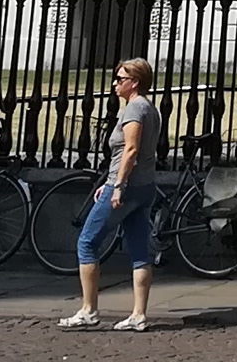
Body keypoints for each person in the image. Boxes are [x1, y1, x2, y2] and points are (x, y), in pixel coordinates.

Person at [61, 58, 165, 332]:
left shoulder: (134, 109)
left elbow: (130, 150)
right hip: (144, 187)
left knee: (87, 242)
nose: (115, 84)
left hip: (126, 188)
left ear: (135, 82)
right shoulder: (150, 108)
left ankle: (89, 309)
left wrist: (117, 185)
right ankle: (139, 314)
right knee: (139, 251)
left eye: (120, 79)